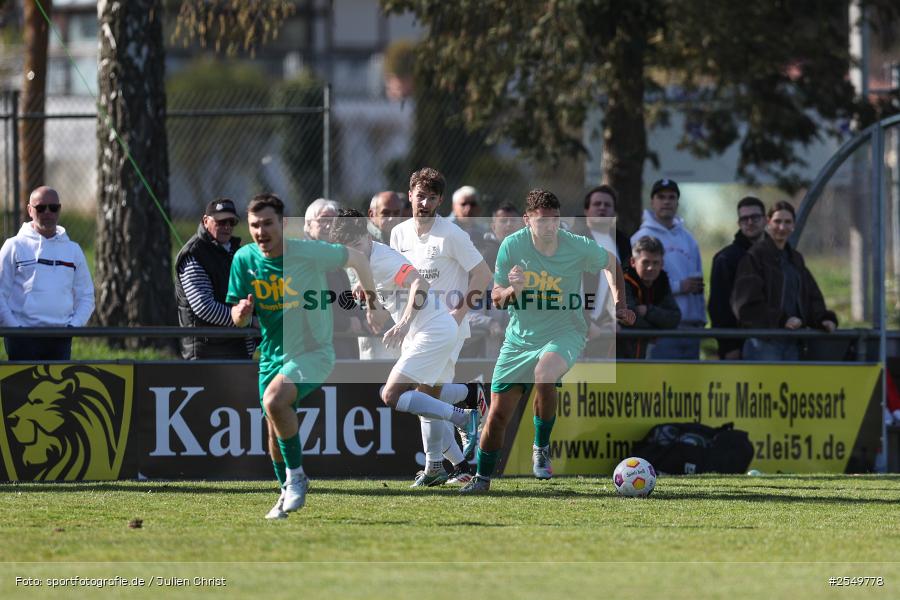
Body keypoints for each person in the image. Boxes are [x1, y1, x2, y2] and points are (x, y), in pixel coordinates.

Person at [461, 189, 635, 493]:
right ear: (527, 220)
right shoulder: (511, 247)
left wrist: (619, 304)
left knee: (545, 373)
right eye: (543, 222)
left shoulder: (576, 245)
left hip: (565, 331)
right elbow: (498, 300)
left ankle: (541, 447)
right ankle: (482, 479)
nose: (550, 227)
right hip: (519, 340)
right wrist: (514, 290)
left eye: (555, 221)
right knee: (498, 415)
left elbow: (612, 264)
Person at [227, 192, 385, 519]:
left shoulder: (310, 253)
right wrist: (241, 314)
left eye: (268, 223)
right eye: (255, 225)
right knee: (274, 426)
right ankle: (284, 492)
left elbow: (357, 259)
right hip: (272, 354)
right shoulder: (244, 259)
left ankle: (297, 477)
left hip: (314, 352)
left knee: (274, 401)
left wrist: (373, 304)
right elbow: (236, 314)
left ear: (282, 225)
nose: (261, 231)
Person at [331, 209, 482, 485]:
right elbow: (379, 294)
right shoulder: (364, 260)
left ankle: (464, 417)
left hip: (433, 330)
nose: (355, 253)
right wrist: (369, 296)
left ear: (366, 236)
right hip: (431, 330)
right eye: (348, 250)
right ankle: (437, 466)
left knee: (392, 394)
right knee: (426, 400)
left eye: (357, 246)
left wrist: (402, 323)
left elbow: (419, 283)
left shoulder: (383, 259)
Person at [391, 168, 494, 486]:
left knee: (414, 392)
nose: (424, 203)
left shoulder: (451, 234)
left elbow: (483, 275)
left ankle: (439, 463)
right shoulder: (399, 233)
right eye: (420, 195)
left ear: (439, 201)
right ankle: (468, 395)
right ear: (409, 195)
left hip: (445, 329)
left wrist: (459, 314)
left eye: (431, 197)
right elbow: (403, 277)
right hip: (415, 327)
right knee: (428, 396)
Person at [731, 200, 837, 361]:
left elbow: (811, 296)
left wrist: (823, 319)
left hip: (793, 343)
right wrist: (782, 320)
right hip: (763, 344)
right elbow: (746, 305)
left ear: (794, 225)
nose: (782, 227)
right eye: (777, 221)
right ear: (768, 223)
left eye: (787, 222)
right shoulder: (755, 256)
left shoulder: (795, 259)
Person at [0, 186, 94, 360]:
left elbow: (86, 296)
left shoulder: (73, 250)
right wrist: (14, 328)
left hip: (60, 338)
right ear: (30, 210)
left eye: (53, 207)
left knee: (58, 387)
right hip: (22, 338)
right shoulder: (13, 246)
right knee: (24, 387)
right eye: (41, 208)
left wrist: (72, 327)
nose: (47, 212)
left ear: (59, 209)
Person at [630, 179, 705, 359]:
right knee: (658, 385)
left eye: (671, 197)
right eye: (661, 197)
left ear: (677, 203)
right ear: (652, 202)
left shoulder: (689, 239)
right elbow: (637, 287)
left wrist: (701, 319)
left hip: (690, 328)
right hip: (659, 329)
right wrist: (680, 286)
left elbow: (698, 284)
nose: (666, 201)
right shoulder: (640, 238)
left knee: (689, 386)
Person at [175, 198, 253, 360]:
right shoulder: (193, 254)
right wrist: (248, 321)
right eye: (221, 221)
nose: (227, 227)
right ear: (205, 221)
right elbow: (204, 307)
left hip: (236, 349)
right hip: (206, 353)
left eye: (232, 222)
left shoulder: (237, 252)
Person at [574, 185, 632, 358]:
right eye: (597, 204)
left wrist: (616, 318)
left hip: (609, 329)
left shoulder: (623, 242)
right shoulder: (574, 240)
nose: (602, 207)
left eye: (607, 205)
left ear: (614, 211)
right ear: (586, 210)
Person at [707, 196, 767, 360]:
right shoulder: (726, 259)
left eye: (755, 217)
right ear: (738, 223)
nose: (749, 222)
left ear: (765, 220)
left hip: (780, 341)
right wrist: (729, 347)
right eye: (744, 218)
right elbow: (719, 307)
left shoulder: (780, 254)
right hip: (742, 346)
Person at [305, 198, 363, 359]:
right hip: (314, 356)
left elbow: (346, 305)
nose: (330, 225)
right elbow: (308, 310)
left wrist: (365, 317)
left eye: (335, 220)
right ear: (308, 225)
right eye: (323, 219)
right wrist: (347, 323)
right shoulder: (304, 261)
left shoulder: (337, 265)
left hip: (340, 352)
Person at [619, 236, 681, 359]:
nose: (650, 268)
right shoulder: (621, 281)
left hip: (647, 356)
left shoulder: (662, 281)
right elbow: (630, 320)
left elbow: (674, 317)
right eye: (645, 262)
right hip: (618, 355)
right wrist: (658, 328)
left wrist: (648, 311)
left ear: (662, 263)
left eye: (655, 263)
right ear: (633, 262)